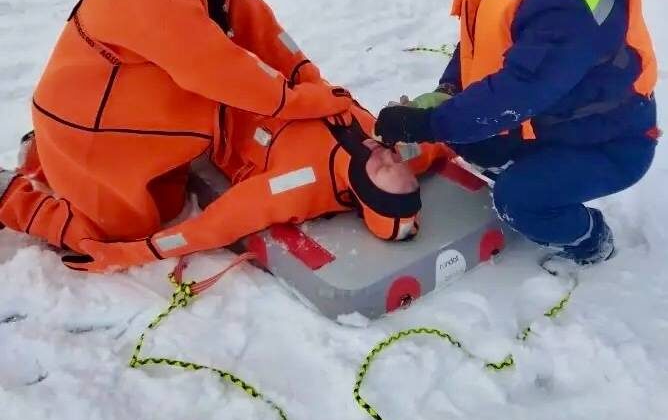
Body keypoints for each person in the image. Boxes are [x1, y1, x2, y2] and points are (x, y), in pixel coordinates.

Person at [0, 0, 359, 268]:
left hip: (106, 108)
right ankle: (14, 200)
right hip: (85, 123)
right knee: (118, 226)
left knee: (171, 188)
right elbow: (220, 68)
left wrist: (309, 78)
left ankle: (48, 154)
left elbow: (260, 27)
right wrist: (300, 101)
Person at [376, 0, 658, 268]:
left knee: (517, 199)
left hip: (609, 144)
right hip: (554, 125)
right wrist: (448, 90)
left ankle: (590, 239)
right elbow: (478, 46)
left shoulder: (572, 3)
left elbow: (520, 90)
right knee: (469, 136)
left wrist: (428, 123)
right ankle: (535, 181)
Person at [1, 104, 446, 271]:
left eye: (385, 166)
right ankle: (48, 144)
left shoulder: (300, 186)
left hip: (208, 113)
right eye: (396, 158)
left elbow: (213, 227)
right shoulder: (398, 152)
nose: (388, 153)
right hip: (264, 79)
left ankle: (19, 195)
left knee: (133, 200)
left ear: (368, 193)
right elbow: (435, 149)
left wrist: (127, 253)